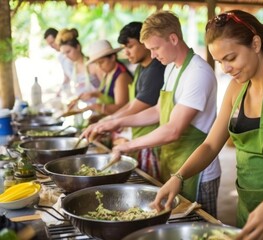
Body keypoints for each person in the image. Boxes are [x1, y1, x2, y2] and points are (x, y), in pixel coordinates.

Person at [151, 9, 263, 240]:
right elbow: (210, 146)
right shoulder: (236, 89)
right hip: (250, 210)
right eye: (220, 62)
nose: (226, 69)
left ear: (256, 44)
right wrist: (178, 177)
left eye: (231, 58)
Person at [83, 11, 221, 217]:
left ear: (173, 38)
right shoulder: (171, 68)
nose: (154, 55)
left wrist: (127, 145)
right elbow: (157, 111)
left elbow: (173, 130)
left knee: (199, 226)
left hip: (198, 171)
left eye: (155, 48)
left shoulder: (198, 72)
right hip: (173, 161)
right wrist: (114, 122)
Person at [81, 22, 165, 178]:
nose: (126, 53)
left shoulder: (156, 70)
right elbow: (132, 104)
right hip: (137, 134)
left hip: (149, 138)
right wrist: (108, 120)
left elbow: (138, 106)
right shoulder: (141, 68)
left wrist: (110, 120)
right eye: (124, 48)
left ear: (145, 42)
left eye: (130, 46)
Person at [68, 39, 133, 118]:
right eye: (96, 63)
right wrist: (93, 94)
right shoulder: (107, 74)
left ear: (112, 57)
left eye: (101, 62)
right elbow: (107, 95)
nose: (99, 67)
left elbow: (121, 108)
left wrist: (96, 107)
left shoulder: (121, 77)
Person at [55, 28, 102, 100]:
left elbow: (107, 90)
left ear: (77, 47)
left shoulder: (94, 65)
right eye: (64, 53)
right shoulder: (73, 67)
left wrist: (94, 94)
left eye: (68, 52)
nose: (67, 56)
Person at [43, 27, 73, 97]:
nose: (51, 46)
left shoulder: (71, 51)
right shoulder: (60, 56)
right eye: (49, 44)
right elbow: (67, 76)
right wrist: (60, 91)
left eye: (52, 42)